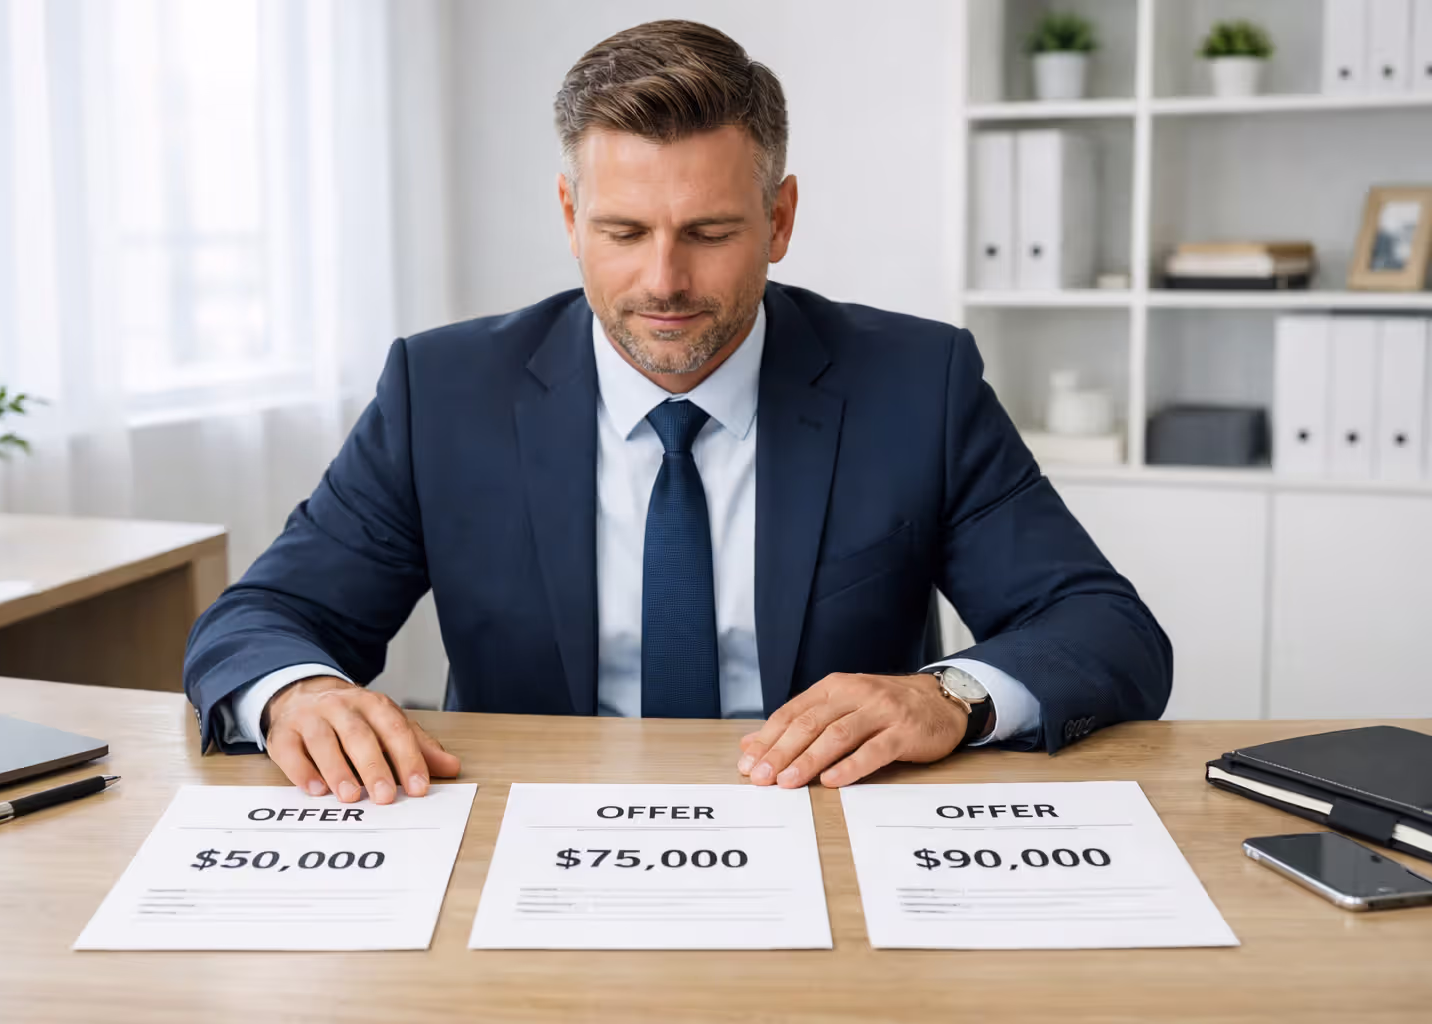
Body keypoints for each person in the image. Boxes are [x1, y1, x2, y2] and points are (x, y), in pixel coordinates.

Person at [184, 19, 1171, 805]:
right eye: (622, 230)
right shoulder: (441, 394)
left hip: (828, 836)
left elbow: (1107, 629)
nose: (663, 281)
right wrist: (300, 693)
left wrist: (945, 694)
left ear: (779, 220)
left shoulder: (917, 382)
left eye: (709, 232)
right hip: (530, 836)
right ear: (570, 216)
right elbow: (263, 618)